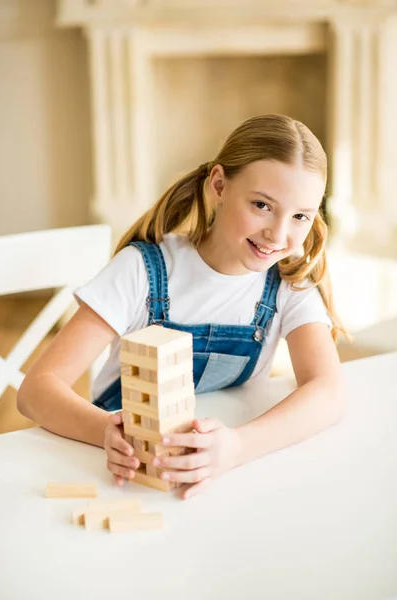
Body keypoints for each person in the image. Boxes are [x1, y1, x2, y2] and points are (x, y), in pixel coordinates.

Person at [18, 114, 345, 500]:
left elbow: (328, 391)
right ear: (220, 185)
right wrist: (105, 431)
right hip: (120, 473)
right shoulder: (142, 270)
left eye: (300, 217)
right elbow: (36, 391)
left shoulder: (289, 282)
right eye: (261, 205)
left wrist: (237, 447)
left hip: (219, 475)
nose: (278, 234)